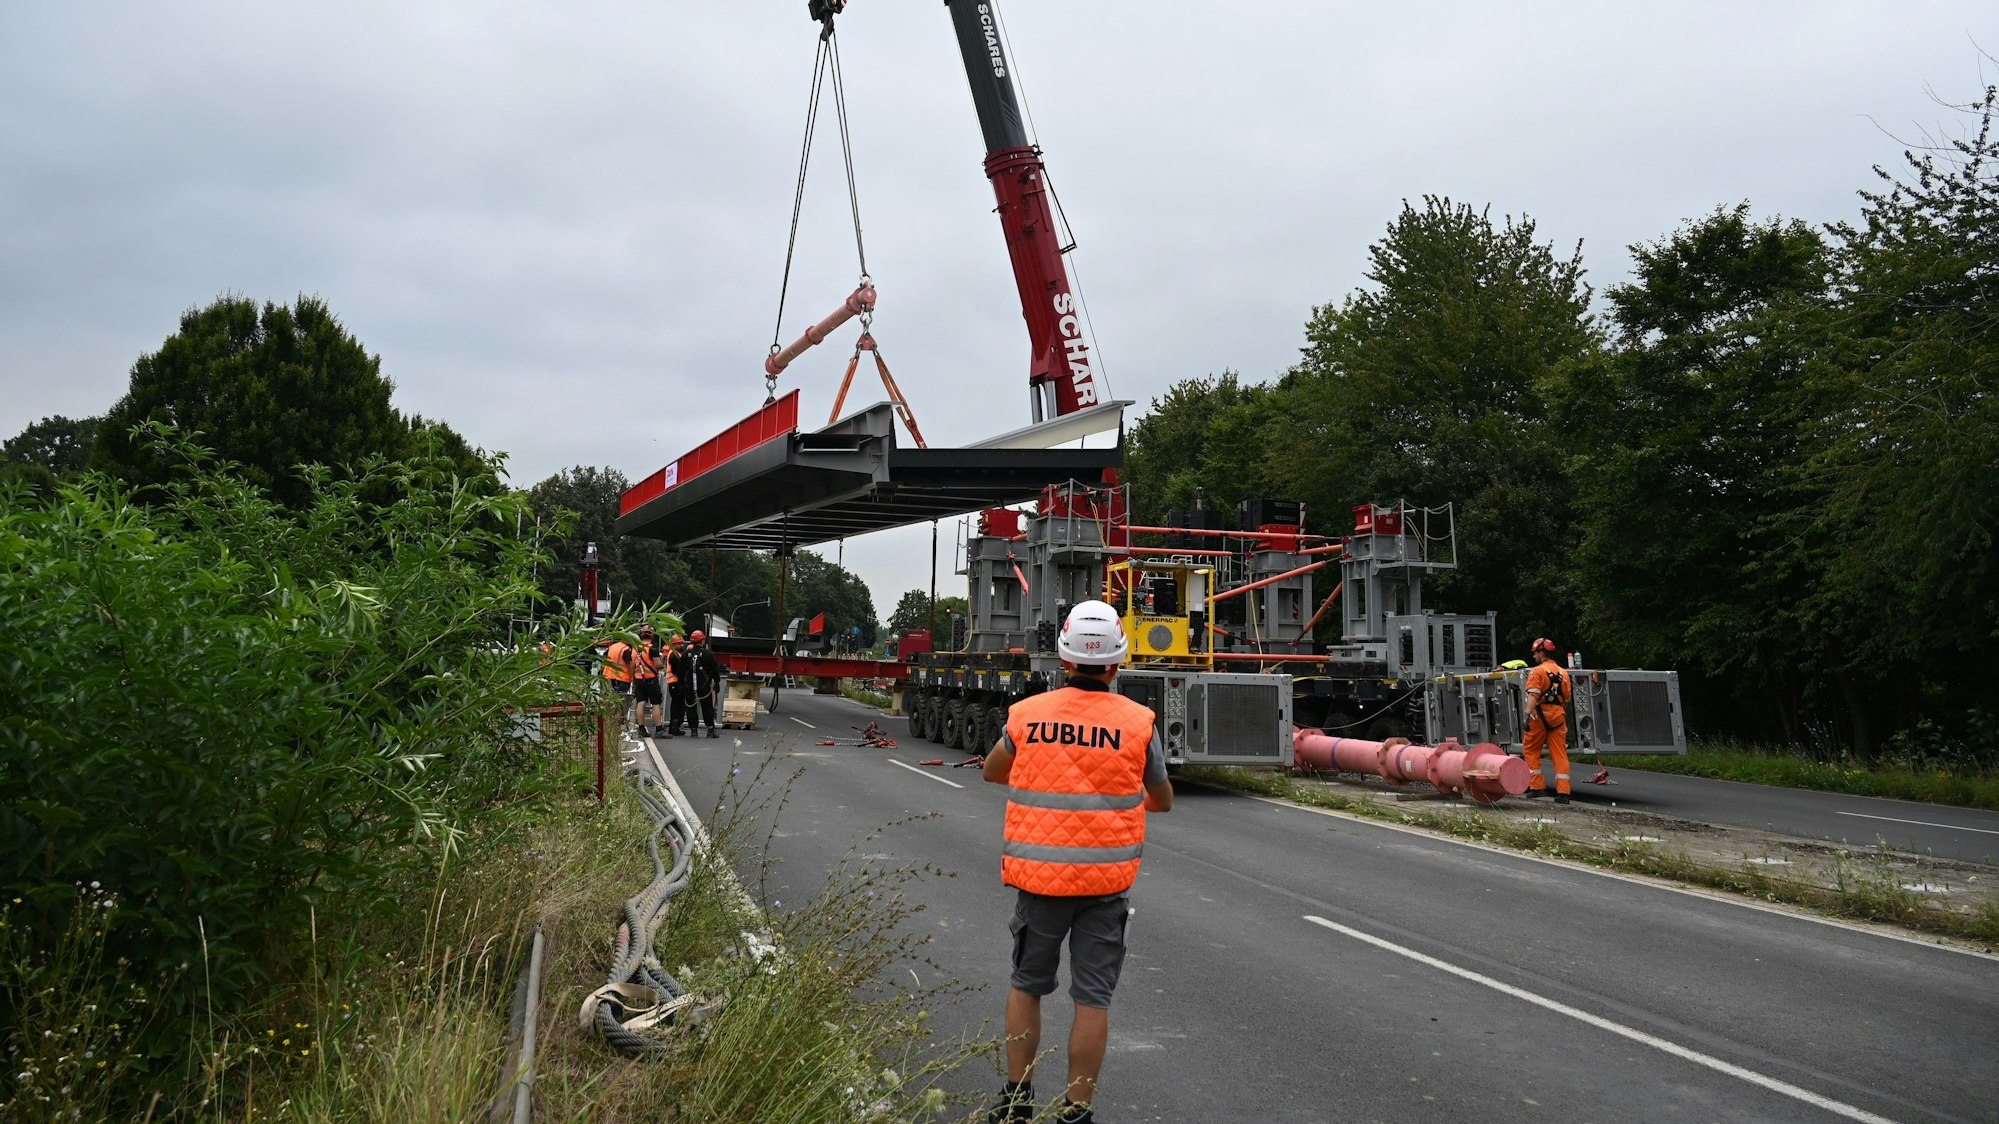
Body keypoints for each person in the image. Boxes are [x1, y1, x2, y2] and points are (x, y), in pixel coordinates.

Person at [979, 600, 1174, 1124]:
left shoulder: (1028, 715)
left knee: (1027, 985)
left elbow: (994, 772)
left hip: (1040, 880)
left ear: (1064, 658)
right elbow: (1162, 798)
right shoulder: (1138, 723)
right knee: (1092, 998)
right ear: (1116, 663)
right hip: (1104, 884)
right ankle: (1076, 1111)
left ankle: (1017, 1103)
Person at [1522, 637, 1572, 803]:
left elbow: (1533, 695)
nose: (1534, 656)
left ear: (1542, 653)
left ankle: (1537, 788)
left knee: (1531, 750)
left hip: (1539, 716)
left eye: (1535, 652)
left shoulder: (1537, 671)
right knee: (1559, 754)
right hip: (1558, 716)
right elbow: (1566, 699)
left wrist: (1526, 715)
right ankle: (1564, 793)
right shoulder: (1564, 673)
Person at [687, 630, 723, 738]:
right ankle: (710, 729)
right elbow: (714, 669)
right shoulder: (708, 654)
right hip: (704, 685)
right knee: (707, 707)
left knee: (691, 707)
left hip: (689, 686)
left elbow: (681, 671)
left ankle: (693, 730)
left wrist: (683, 685)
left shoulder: (686, 655)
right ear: (702, 641)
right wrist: (716, 682)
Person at [631, 625, 664, 737]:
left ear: (641, 634)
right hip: (651, 679)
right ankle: (659, 729)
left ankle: (641, 728)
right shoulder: (652, 650)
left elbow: (632, 665)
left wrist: (633, 678)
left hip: (639, 679)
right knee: (656, 703)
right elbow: (658, 665)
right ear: (652, 635)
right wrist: (662, 662)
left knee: (641, 703)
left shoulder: (636, 649)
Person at [601, 637, 635, 732]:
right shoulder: (625, 649)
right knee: (622, 699)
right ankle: (619, 719)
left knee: (613, 697)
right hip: (622, 677)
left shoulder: (613, 647)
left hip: (610, 675)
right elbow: (630, 664)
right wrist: (632, 677)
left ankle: (613, 718)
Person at [663, 633, 691, 737]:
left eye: (682, 643)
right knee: (677, 706)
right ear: (673, 644)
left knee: (677, 705)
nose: (681, 645)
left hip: (675, 682)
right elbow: (677, 670)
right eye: (679, 643)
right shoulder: (674, 655)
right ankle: (674, 727)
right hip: (676, 683)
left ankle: (674, 726)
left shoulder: (676, 653)